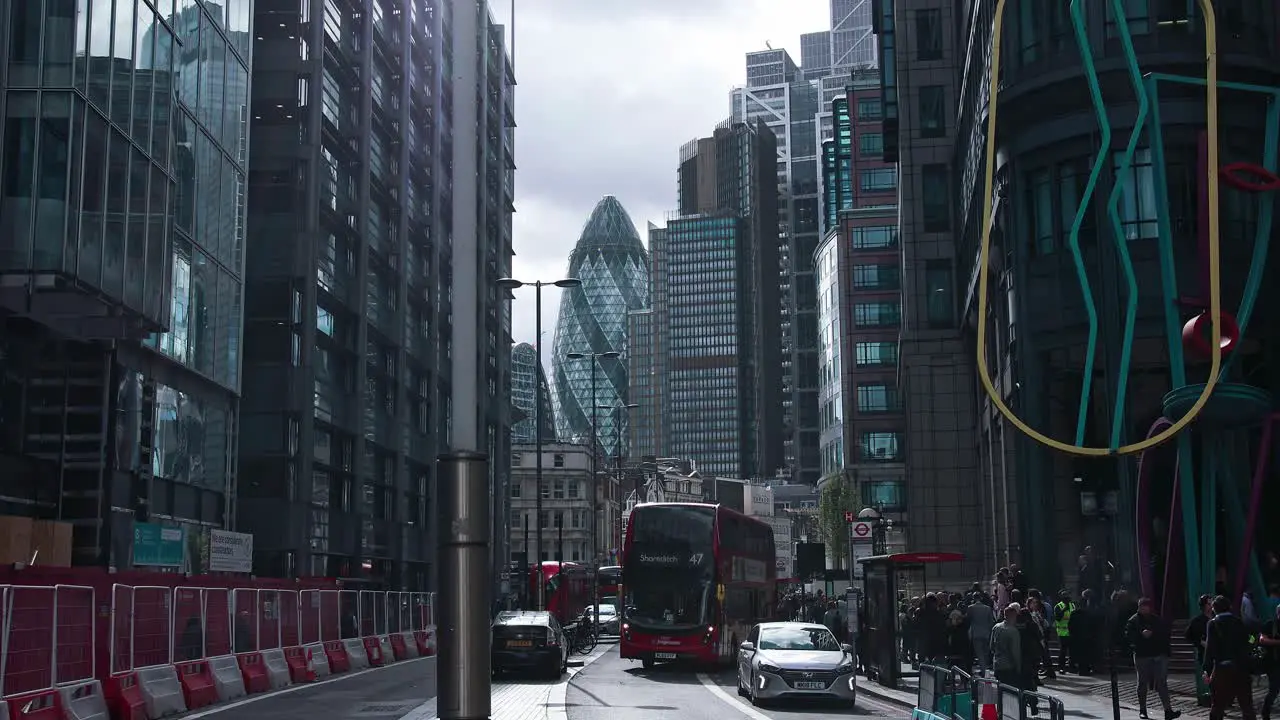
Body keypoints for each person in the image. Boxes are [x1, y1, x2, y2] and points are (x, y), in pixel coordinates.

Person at [1125, 597, 1182, 720]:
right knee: (1142, 683)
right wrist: (1141, 634)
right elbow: (1129, 636)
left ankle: (1168, 710)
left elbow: (1164, 635)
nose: (1144, 609)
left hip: (1158, 654)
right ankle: (1143, 710)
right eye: (1142, 607)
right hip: (1142, 655)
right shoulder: (1133, 621)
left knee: (1162, 683)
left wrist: (1166, 652)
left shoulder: (1157, 620)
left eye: (1146, 607)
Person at [1203, 594, 1258, 720]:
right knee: (1246, 705)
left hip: (1222, 668)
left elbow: (1210, 648)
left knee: (1218, 705)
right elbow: (1250, 638)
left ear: (1214, 609)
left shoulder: (1213, 624)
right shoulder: (1239, 622)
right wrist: (1251, 644)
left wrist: (1207, 668)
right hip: (1241, 667)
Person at [991, 603, 1023, 690]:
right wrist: (1018, 668)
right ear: (1013, 616)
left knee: (1000, 691)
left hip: (997, 664)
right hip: (1009, 666)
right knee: (1009, 693)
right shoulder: (1013, 631)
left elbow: (991, 647)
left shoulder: (996, 627)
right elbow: (1015, 652)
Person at [1259, 601, 1280, 720]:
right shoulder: (1270, 625)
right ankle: (1265, 712)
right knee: (1274, 689)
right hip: (1273, 662)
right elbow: (1262, 639)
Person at [968, 592, 996, 677]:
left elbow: (968, 620)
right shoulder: (987, 608)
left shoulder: (971, 608)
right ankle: (985, 669)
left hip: (976, 633)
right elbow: (991, 621)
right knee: (985, 653)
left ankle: (983, 671)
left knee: (979, 653)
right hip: (986, 633)